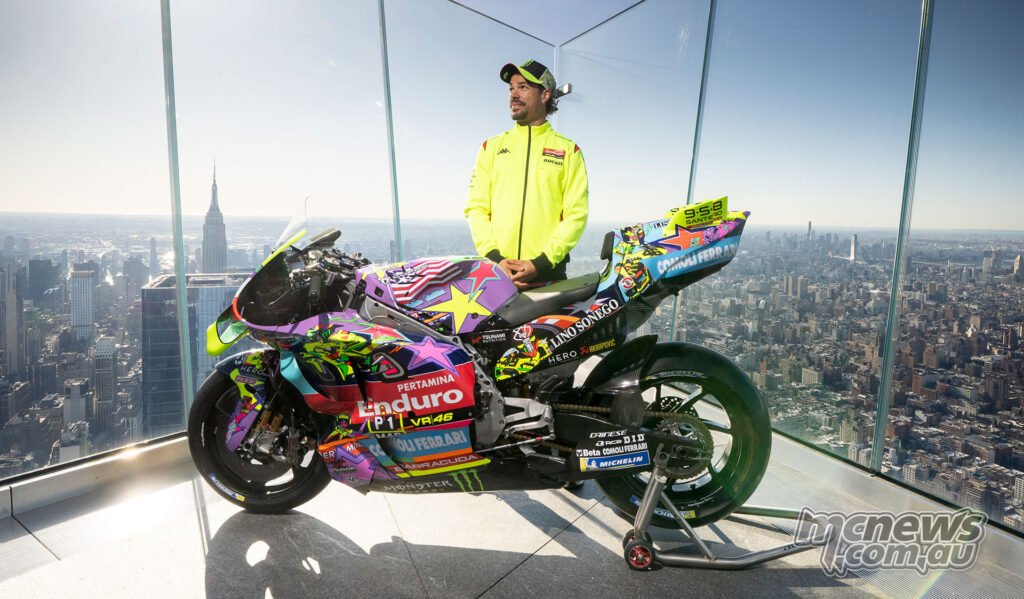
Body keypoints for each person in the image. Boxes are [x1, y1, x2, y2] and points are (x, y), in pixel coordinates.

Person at [465, 59, 589, 289]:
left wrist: (540, 264)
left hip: (548, 278)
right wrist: (495, 258)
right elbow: (476, 208)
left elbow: (576, 216)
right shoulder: (489, 147)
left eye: (523, 87)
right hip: (496, 276)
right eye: (511, 88)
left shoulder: (570, 151)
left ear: (545, 95)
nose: (513, 94)